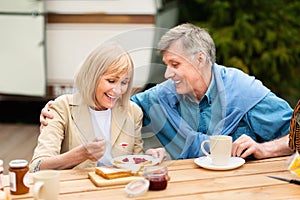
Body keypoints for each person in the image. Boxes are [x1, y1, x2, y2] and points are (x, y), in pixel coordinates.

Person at [40, 23, 294, 161]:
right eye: (166, 66)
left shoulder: (244, 91)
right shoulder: (163, 95)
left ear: (200, 59)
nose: (167, 74)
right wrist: (60, 107)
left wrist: (265, 150)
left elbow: (298, 134)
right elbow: (114, 101)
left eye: (175, 65)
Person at [30, 42, 165, 172]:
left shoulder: (133, 111)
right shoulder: (62, 107)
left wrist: (148, 157)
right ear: (92, 77)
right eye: (111, 81)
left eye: (124, 82)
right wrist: (80, 154)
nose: (118, 90)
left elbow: (135, 160)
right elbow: (37, 167)